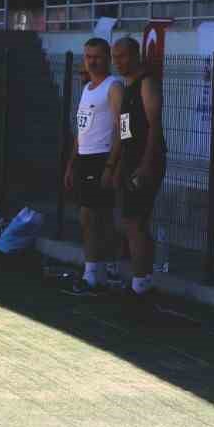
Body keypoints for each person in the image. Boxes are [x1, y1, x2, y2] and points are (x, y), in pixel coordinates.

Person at [109, 37, 166, 304]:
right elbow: (123, 130)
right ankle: (141, 280)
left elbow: (155, 125)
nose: (117, 62)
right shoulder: (127, 87)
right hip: (130, 161)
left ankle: (140, 284)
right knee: (132, 222)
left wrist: (145, 165)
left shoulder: (146, 83)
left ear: (135, 55)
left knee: (135, 222)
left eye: (122, 56)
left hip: (145, 162)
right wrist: (117, 163)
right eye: (114, 57)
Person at [63, 38, 121, 297]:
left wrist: (112, 164)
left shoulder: (113, 86)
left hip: (102, 158)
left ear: (107, 57)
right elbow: (81, 129)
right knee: (92, 219)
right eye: (88, 56)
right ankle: (101, 271)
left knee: (95, 218)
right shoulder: (87, 88)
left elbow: (123, 125)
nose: (92, 61)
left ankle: (97, 274)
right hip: (85, 159)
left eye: (96, 56)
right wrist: (71, 163)